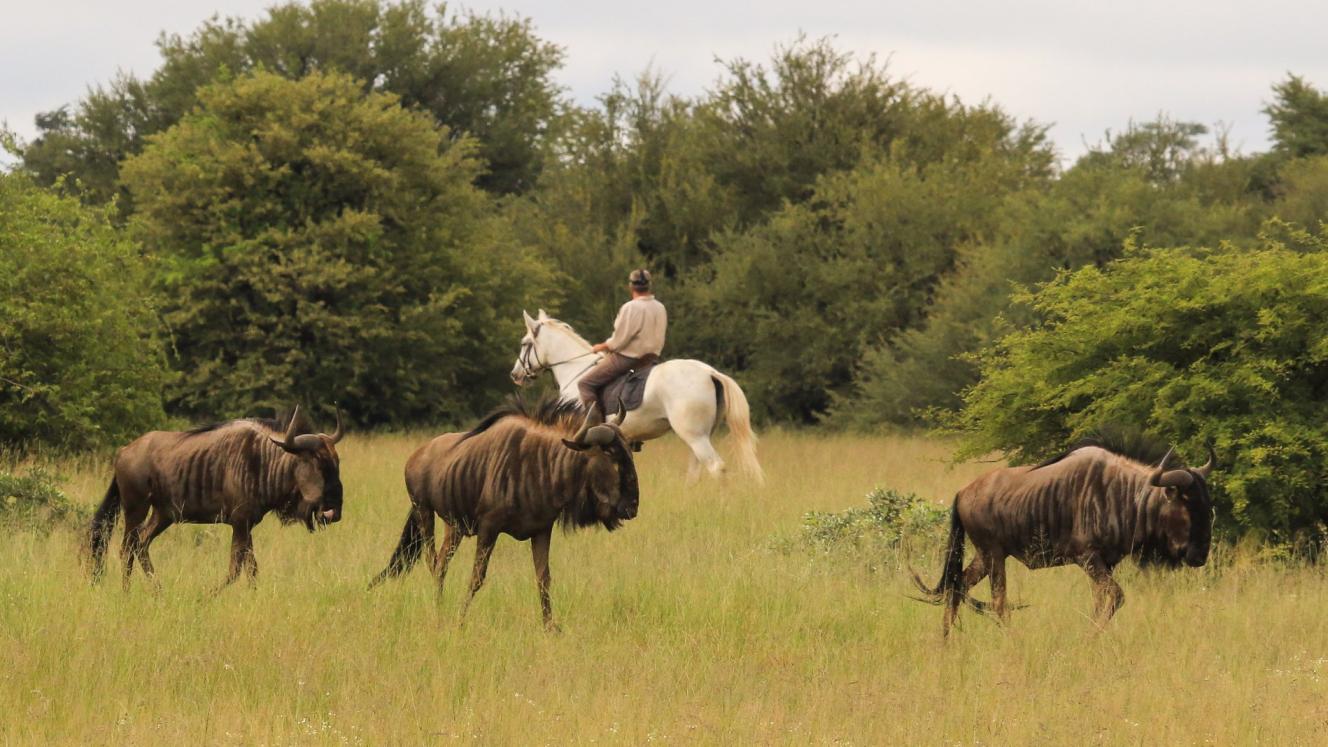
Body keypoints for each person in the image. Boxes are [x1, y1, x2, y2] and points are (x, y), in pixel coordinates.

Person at [578, 269, 667, 413]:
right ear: (649, 285)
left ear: (631, 286)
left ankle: (595, 422)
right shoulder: (660, 307)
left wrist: (602, 346)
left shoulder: (630, 307)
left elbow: (619, 341)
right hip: (652, 358)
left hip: (628, 359)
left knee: (585, 383)